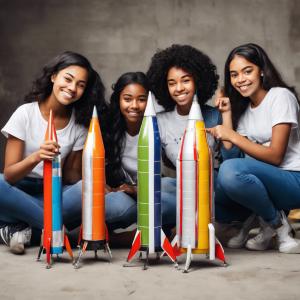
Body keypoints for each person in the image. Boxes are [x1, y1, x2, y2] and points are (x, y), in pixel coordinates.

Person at [0, 51, 107, 254]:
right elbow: (10, 175)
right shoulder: (25, 113)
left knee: (88, 190)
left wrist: (97, 179)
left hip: (53, 193)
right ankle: (55, 228)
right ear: (53, 76)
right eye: (68, 79)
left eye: (81, 85)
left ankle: (21, 226)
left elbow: (71, 176)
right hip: (18, 190)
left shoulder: (79, 126)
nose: (72, 88)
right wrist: (37, 156)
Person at [206, 43, 300, 253]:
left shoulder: (280, 96)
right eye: (234, 74)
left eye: (247, 71)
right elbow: (230, 153)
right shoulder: (247, 111)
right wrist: (227, 113)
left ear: (261, 71)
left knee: (231, 172)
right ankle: (269, 221)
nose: (241, 79)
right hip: (271, 182)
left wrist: (231, 135)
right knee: (218, 184)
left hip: (295, 179)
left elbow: (276, 156)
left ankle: (277, 225)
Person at [146, 44, 237, 179]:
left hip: (212, 185)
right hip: (183, 187)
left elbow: (231, 159)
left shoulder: (214, 116)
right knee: (163, 187)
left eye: (186, 80)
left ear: (197, 81)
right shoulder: (160, 122)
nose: (179, 88)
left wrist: (226, 114)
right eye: (172, 83)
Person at [105, 72, 176, 235]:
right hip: (124, 195)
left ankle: (145, 232)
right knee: (115, 204)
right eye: (127, 99)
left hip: (155, 192)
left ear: (149, 101)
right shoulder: (108, 129)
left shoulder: (160, 126)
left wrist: (137, 189)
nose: (134, 106)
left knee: (170, 192)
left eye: (141, 99)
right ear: (118, 100)